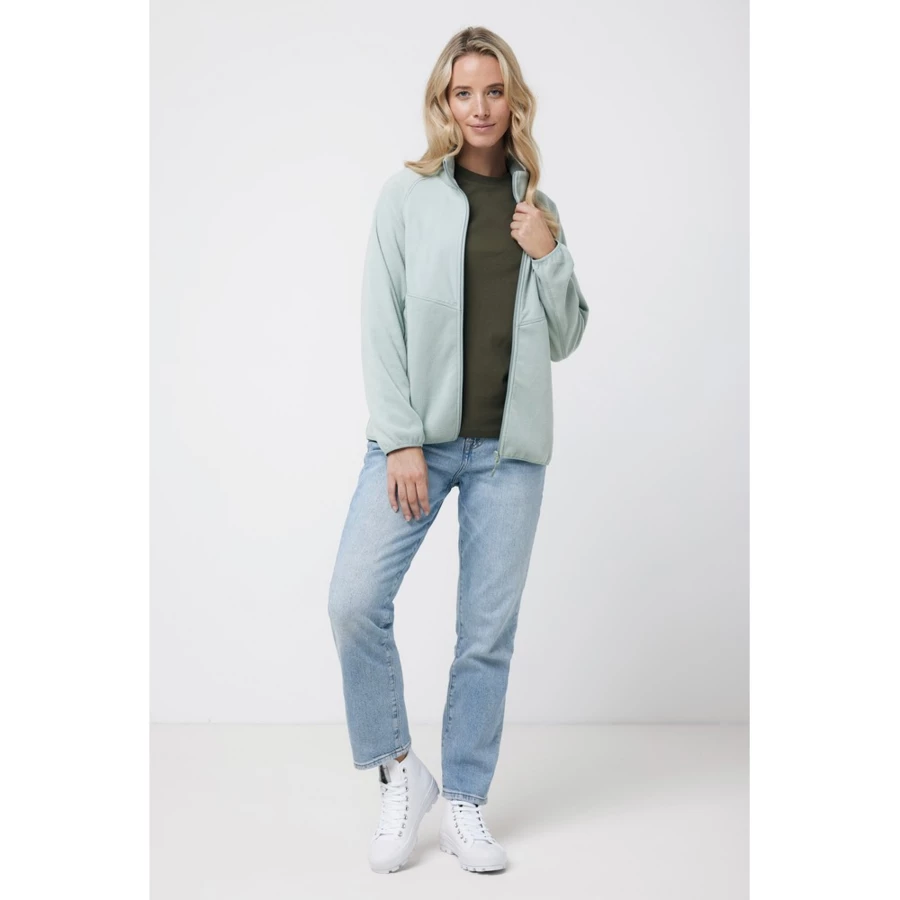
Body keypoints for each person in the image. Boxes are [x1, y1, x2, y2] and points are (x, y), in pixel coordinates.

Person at [328, 26, 589, 875]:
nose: (480, 107)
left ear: (514, 101)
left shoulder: (537, 209)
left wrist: (549, 254)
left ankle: (466, 801)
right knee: (353, 600)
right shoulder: (406, 197)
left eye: (494, 90)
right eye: (463, 91)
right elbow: (381, 324)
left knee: (485, 634)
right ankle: (401, 770)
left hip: (510, 452)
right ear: (444, 102)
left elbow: (566, 337)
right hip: (422, 445)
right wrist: (401, 439)